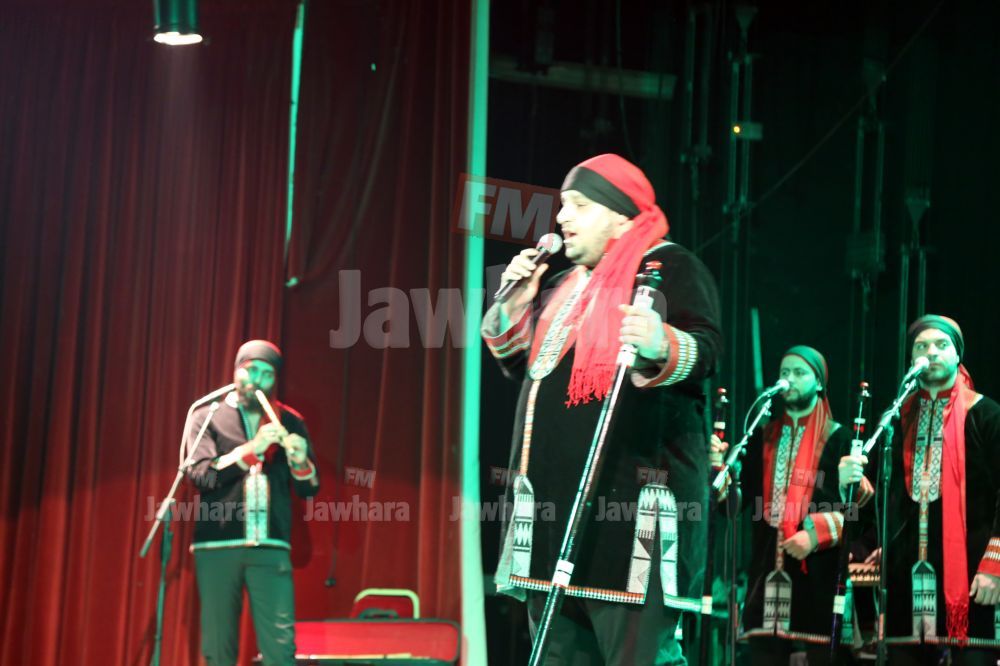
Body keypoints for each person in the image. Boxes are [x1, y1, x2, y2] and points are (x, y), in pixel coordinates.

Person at [482, 154, 722, 664]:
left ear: (620, 216)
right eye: (562, 206)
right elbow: (522, 365)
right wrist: (514, 302)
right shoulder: (563, 287)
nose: (562, 217)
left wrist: (661, 342)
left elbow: (706, 350)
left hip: (628, 530)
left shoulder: (670, 267)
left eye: (578, 205)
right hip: (553, 527)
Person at [842, 316, 1000, 665]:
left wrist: (995, 565)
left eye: (941, 345)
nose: (931, 352)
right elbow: (882, 500)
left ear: (958, 355)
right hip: (905, 581)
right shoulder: (896, 419)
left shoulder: (986, 415)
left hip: (975, 579)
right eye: (921, 346)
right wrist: (849, 484)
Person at [721, 346, 873, 665]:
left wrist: (815, 534)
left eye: (799, 373)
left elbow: (860, 512)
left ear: (819, 383)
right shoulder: (762, 437)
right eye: (784, 372)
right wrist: (719, 474)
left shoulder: (841, 439)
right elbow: (734, 506)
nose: (789, 379)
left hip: (818, 577)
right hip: (766, 575)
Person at [185, 340, 319, 666]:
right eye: (251, 370)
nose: (258, 380)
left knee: (280, 650)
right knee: (219, 649)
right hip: (218, 545)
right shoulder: (207, 415)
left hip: (271, 545)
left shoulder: (290, 421)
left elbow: (309, 490)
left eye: (267, 374)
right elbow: (200, 476)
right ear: (236, 371)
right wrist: (252, 449)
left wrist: (301, 462)